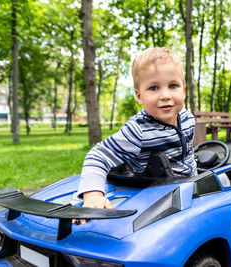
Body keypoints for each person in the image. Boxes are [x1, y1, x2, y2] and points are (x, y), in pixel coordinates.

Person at [77, 47, 197, 213]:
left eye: (173, 85)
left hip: (185, 190)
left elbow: (189, 156)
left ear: (183, 90)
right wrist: (93, 195)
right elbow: (97, 156)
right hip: (152, 199)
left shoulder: (188, 119)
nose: (165, 95)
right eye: (154, 88)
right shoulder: (139, 131)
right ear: (139, 96)